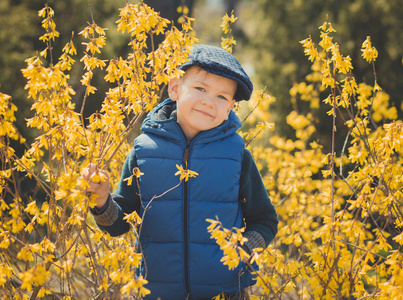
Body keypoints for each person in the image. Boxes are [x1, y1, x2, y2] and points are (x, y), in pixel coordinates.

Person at [84, 44, 278, 300]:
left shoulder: (236, 156)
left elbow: (265, 220)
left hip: (226, 292)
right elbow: (118, 225)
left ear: (230, 107)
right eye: (200, 89)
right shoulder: (143, 151)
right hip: (156, 293)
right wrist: (100, 202)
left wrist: (241, 251)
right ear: (175, 88)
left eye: (222, 97)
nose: (209, 101)